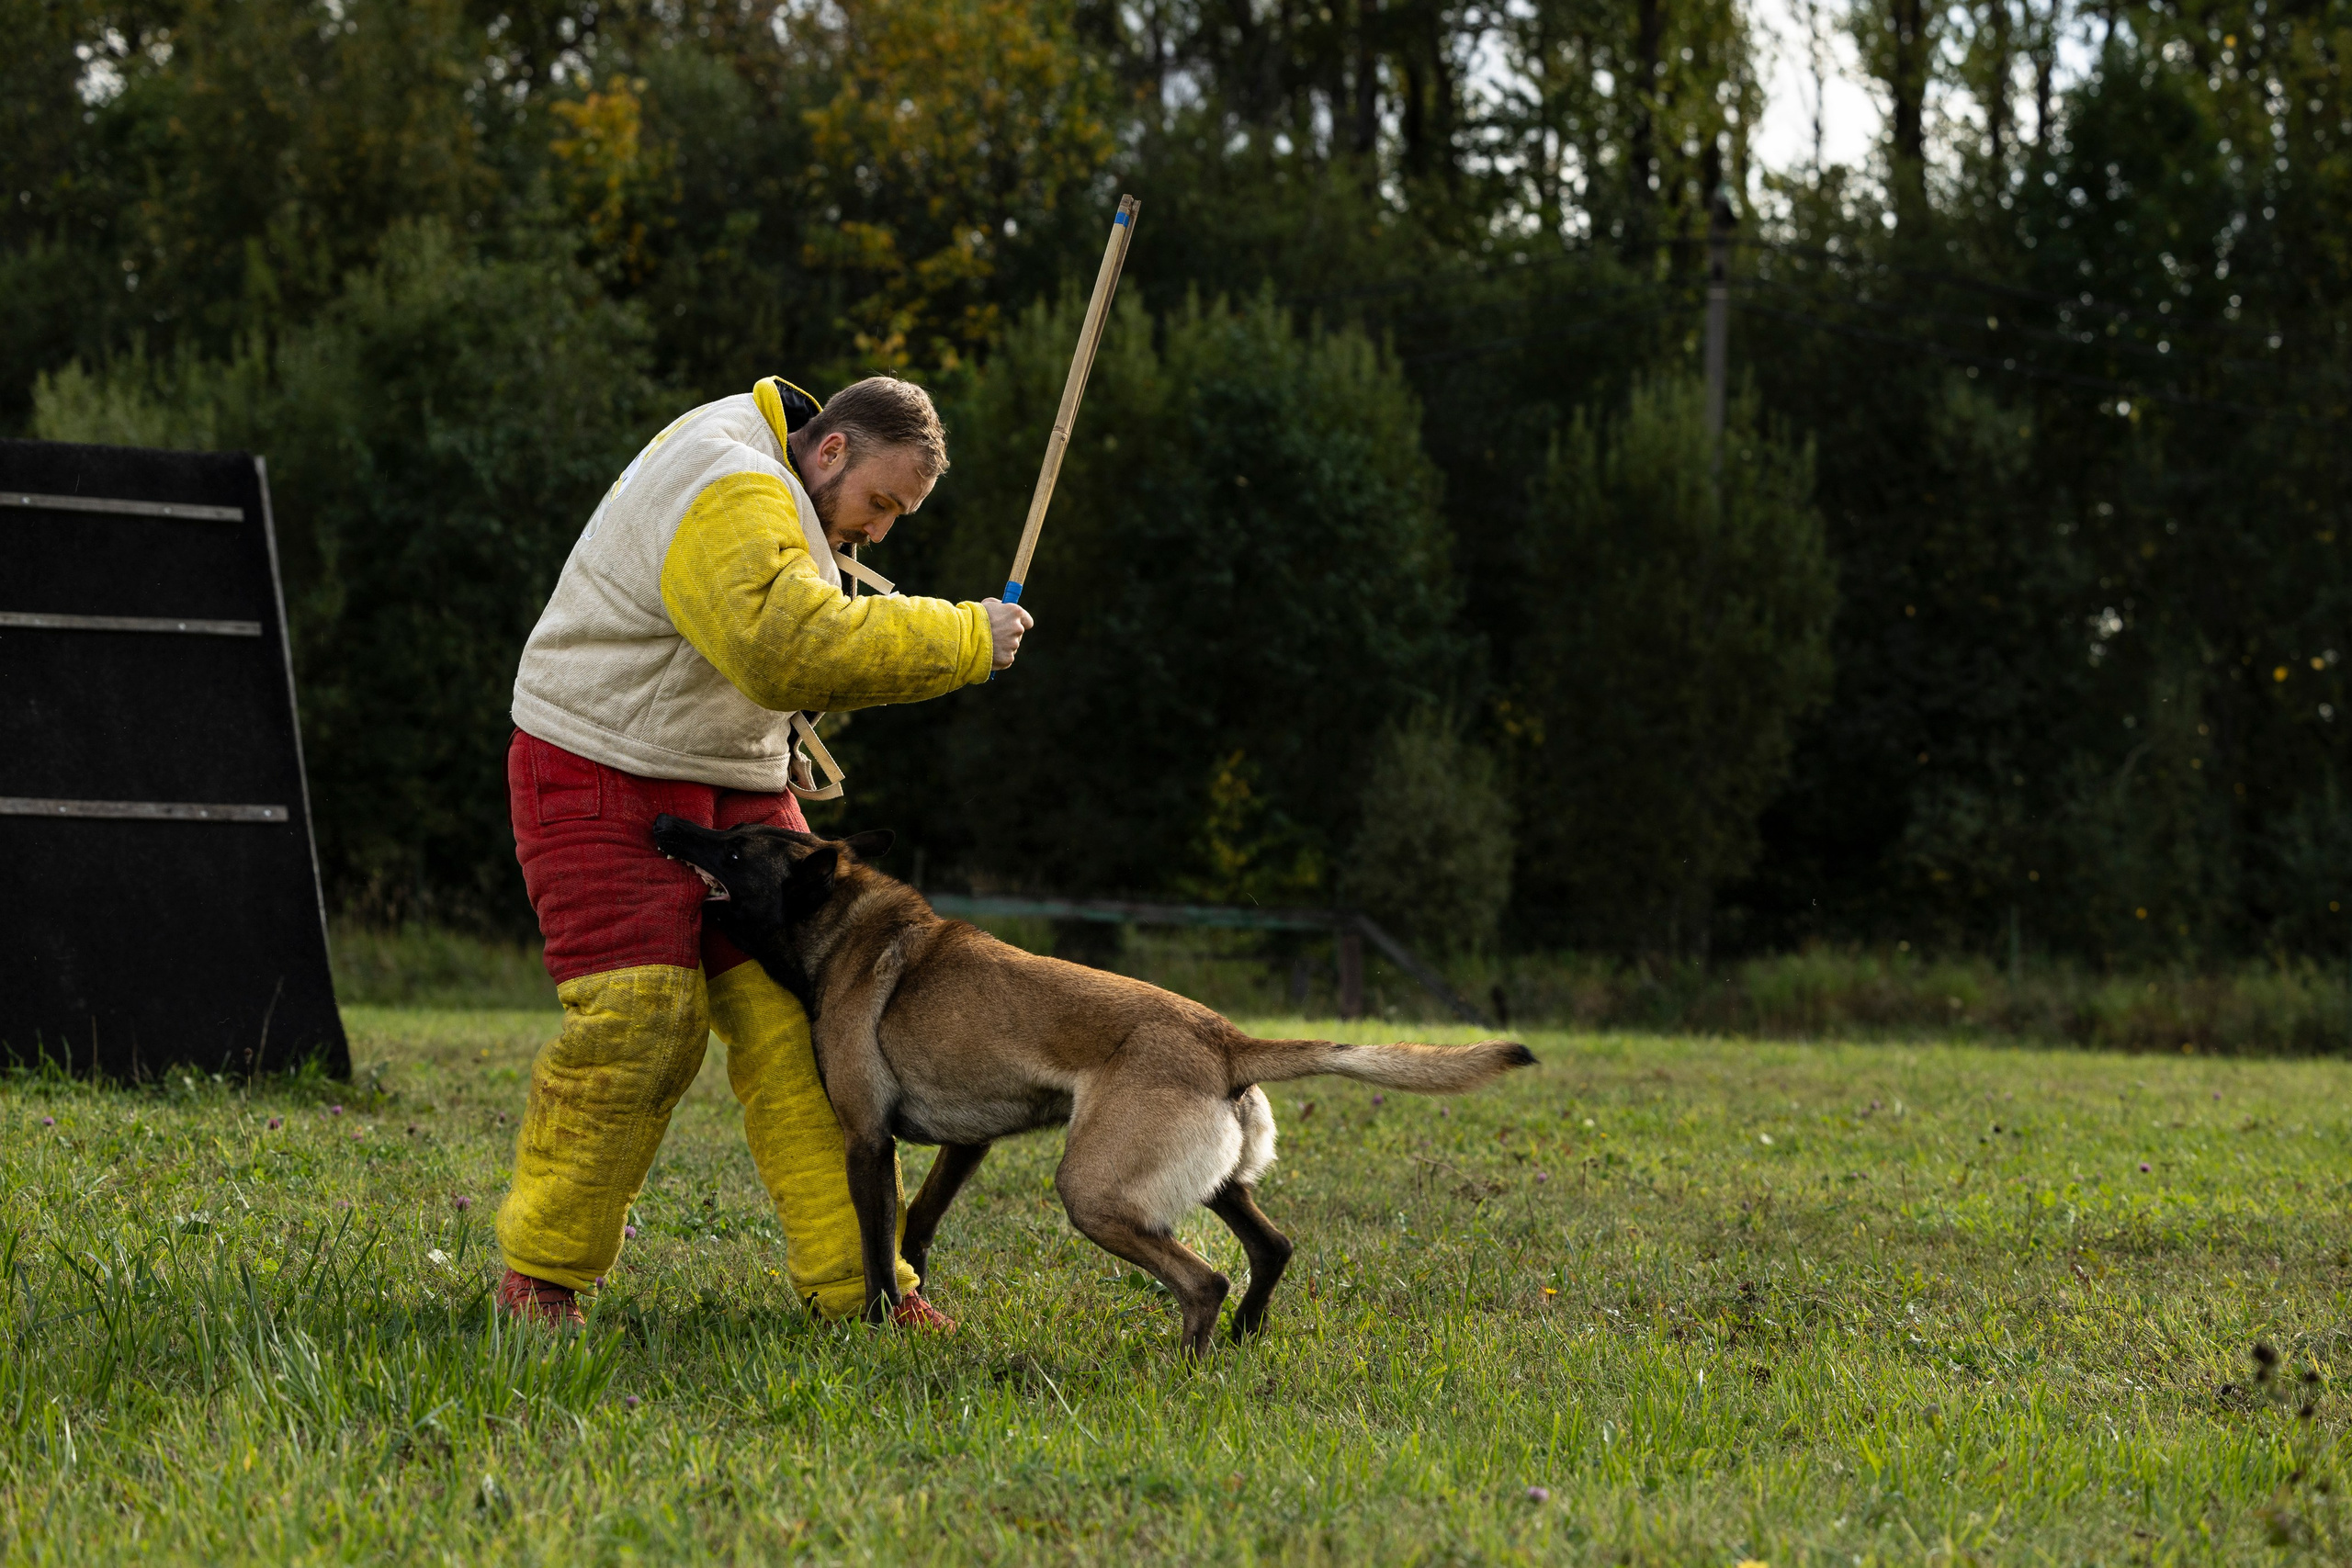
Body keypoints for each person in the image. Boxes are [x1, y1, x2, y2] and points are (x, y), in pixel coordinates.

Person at [493, 374, 1032, 1328]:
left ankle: (863, 1291)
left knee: (820, 1029)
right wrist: (963, 636)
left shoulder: (788, 484)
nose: (879, 531)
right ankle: (539, 1279)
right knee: (641, 1023)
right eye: (880, 504)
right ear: (830, 451)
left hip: (734, 777)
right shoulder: (728, 479)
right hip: (597, 762)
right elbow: (782, 647)